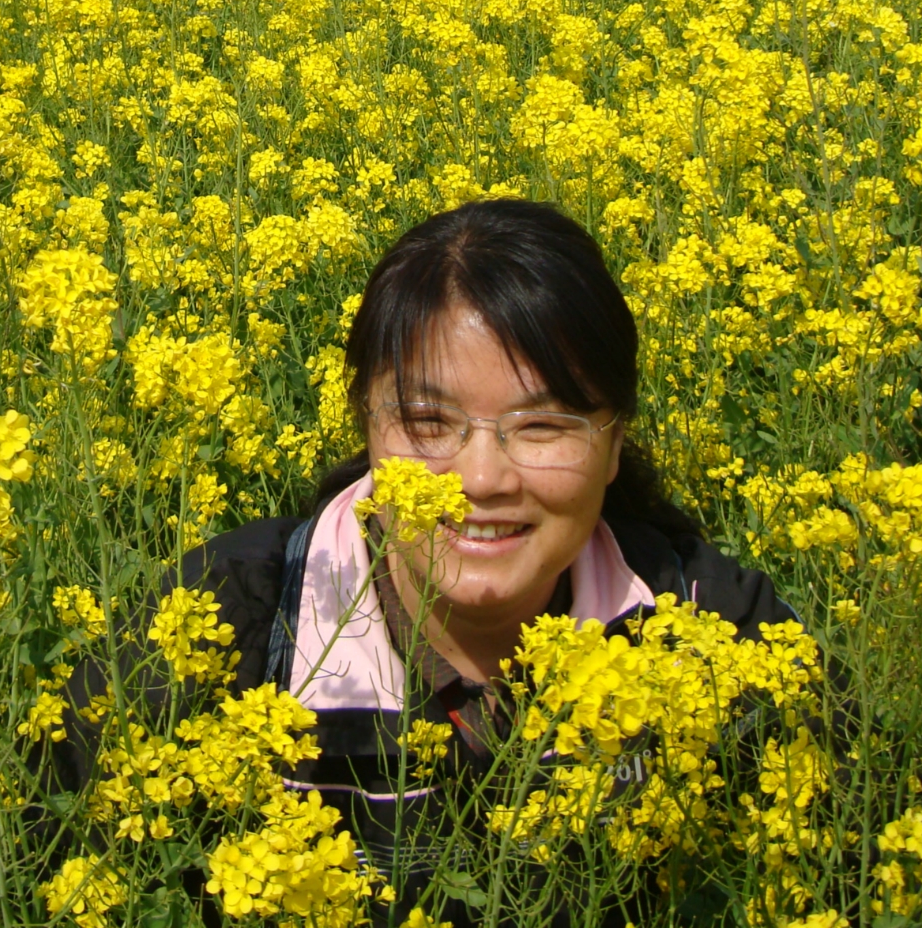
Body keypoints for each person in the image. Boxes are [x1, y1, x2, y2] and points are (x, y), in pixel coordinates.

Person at [53, 200, 795, 904]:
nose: (480, 480)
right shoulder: (225, 628)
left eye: (541, 426)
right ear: (366, 426)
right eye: (428, 422)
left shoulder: (711, 632)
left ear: (613, 446)